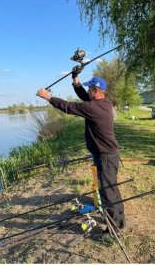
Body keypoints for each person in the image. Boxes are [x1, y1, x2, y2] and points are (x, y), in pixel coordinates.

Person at [36, 70, 125, 233]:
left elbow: (69, 107)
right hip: (106, 154)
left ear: (96, 90)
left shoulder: (94, 108)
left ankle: (114, 227)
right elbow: (85, 98)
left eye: (90, 88)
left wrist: (47, 97)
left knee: (108, 191)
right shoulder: (105, 104)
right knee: (110, 188)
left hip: (105, 156)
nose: (88, 91)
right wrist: (75, 79)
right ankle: (118, 220)